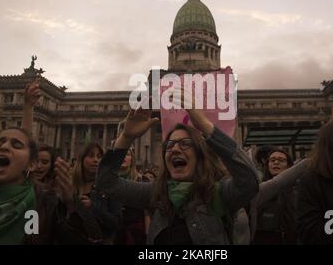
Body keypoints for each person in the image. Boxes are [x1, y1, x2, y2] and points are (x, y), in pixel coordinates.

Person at [95, 105, 260, 245]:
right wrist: (126, 137)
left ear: (200, 156)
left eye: (185, 144)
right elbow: (106, 183)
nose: (175, 149)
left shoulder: (219, 193)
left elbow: (250, 181)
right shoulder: (156, 193)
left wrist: (205, 126)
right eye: (170, 144)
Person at [0, 128, 101, 244]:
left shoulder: (45, 204)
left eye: (16, 145)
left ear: (32, 164)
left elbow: (91, 238)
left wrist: (72, 205)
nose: (4, 147)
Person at [72, 142, 121, 244]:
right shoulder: (71, 186)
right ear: (81, 159)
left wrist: (92, 207)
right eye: (91, 156)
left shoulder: (110, 186)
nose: (96, 160)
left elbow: (117, 223)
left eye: (99, 157)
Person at [250, 149, 297, 244]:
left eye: (281, 160)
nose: (276, 162)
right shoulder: (259, 189)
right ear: (267, 165)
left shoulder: (297, 190)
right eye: (272, 160)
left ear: (289, 166)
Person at [114, 147, 150, 245]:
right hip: (112, 233)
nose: (123, 157)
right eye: (120, 154)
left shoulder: (142, 180)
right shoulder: (108, 183)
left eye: (127, 154)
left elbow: (147, 213)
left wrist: (147, 236)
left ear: (132, 159)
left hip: (136, 234)